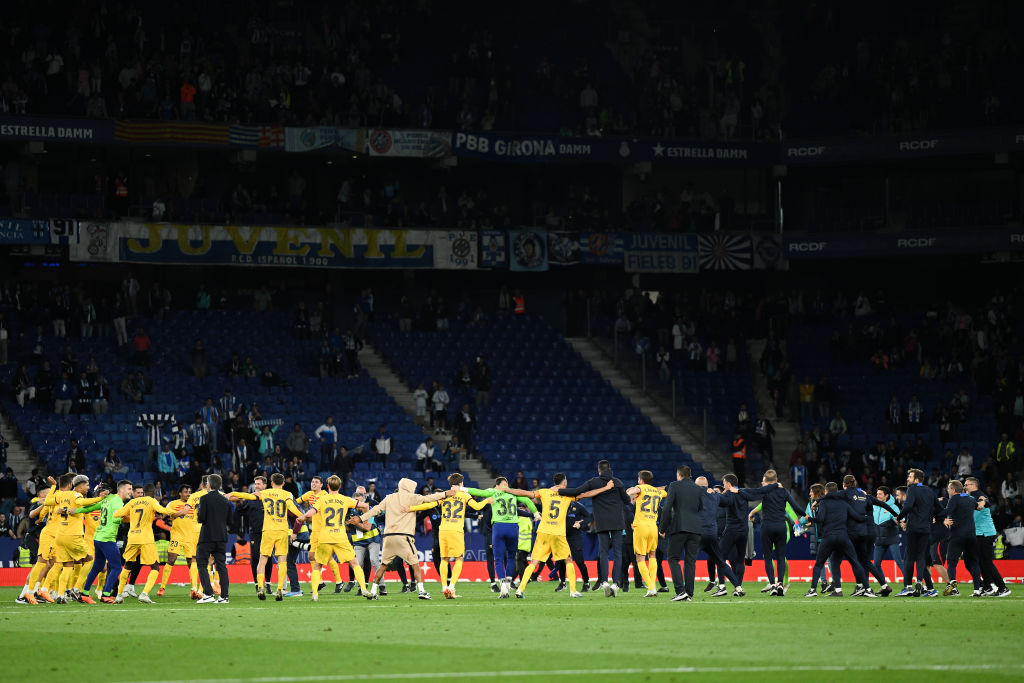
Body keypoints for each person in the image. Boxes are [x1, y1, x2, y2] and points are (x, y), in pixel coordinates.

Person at [504, 474, 606, 599]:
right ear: (564, 483)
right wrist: (605, 488)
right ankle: (573, 590)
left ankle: (520, 589)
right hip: (558, 533)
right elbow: (586, 494)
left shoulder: (545, 492)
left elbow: (524, 493)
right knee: (568, 560)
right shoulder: (567, 495)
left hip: (544, 532)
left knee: (534, 562)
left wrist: (507, 489)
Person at [359, 478, 457, 600]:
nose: (414, 489)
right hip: (403, 537)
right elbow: (428, 499)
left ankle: (373, 591)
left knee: (383, 565)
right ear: (408, 487)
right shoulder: (412, 497)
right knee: (415, 564)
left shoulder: (389, 497)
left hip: (388, 537)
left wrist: (361, 518)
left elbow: (375, 510)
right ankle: (421, 591)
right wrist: (445, 494)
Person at [408, 473, 491, 599]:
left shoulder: (445, 494)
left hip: (443, 530)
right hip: (456, 530)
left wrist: (411, 508)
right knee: (459, 558)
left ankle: (444, 587)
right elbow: (477, 507)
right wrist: (487, 500)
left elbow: (429, 505)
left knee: (444, 559)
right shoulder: (464, 494)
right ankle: (451, 587)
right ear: (461, 483)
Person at [557, 460, 631, 597]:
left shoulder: (594, 482)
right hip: (617, 522)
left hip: (602, 522)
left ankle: (604, 582)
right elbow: (627, 501)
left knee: (603, 552)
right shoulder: (618, 482)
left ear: (599, 470)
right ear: (609, 469)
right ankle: (616, 583)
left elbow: (576, 491)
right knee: (618, 553)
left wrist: (559, 490)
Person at [228, 472, 303, 601]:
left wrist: (233, 494)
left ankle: (261, 587)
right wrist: (303, 517)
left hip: (268, 530)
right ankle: (280, 589)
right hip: (282, 530)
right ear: (283, 484)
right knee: (282, 560)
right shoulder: (287, 495)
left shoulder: (265, 493)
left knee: (262, 559)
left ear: (272, 483)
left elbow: (247, 496)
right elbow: (293, 508)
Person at [463, 478, 539, 598]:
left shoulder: (493, 491)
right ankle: (508, 583)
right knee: (511, 557)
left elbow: (478, 492)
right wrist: (535, 513)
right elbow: (527, 500)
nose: (506, 486)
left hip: (498, 527)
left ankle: (503, 585)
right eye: (505, 484)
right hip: (513, 527)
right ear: (503, 485)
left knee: (498, 559)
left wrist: (461, 488)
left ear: (496, 486)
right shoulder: (512, 493)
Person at [299, 475, 369, 601]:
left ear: (328, 486)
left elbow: (311, 513)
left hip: (325, 536)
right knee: (354, 563)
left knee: (317, 566)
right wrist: (364, 520)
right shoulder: (345, 499)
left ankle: (315, 594)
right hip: (340, 537)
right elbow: (364, 505)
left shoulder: (322, 499)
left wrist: (302, 518)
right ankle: (363, 588)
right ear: (340, 486)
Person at [113, 483, 186, 603]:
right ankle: (144, 593)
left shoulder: (132, 502)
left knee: (127, 565)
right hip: (145, 538)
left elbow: (117, 514)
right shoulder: (151, 501)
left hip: (132, 537)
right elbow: (163, 510)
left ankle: (119, 595)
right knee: (155, 567)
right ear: (152, 493)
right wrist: (178, 512)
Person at [803, 483, 875, 598]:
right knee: (855, 562)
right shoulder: (844, 503)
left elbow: (820, 520)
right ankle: (867, 589)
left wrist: (809, 518)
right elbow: (857, 517)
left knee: (819, 564)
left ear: (826, 492)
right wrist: (868, 517)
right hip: (843, 537)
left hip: (828, 538)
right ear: (837, 491)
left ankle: (813, 590)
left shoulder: (824, 503)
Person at [42, 474, 105, 603]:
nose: (88, 488)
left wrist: (54, 488)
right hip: (73, 536)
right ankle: (76, 589)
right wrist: (99, 498)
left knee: (67, 565)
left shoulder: (61, 495)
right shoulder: (77, 495)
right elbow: (81, 502)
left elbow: (47, 501)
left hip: (60, 536)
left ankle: (60, 595)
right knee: (89, 560)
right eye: (87, 485)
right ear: (80, 485)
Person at [76, 480, 131, 603]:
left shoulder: (108, 499)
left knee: (97, 566)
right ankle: (106, 594)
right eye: (129, 489)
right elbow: (117, 518)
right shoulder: (117, 501)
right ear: (120, 490)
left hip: (98, 537)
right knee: (117, 567)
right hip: (107, 538)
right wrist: (131, 519)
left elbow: (91, 508)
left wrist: (76, 510)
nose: (130, 492)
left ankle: (84, 593)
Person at [657, 466, 705, 602]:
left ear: (679, 475)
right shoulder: (697, 488)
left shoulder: (674, 485)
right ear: (689, 475)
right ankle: (689, 593)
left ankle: (680, 591)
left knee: (673, 558)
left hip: (679, 526)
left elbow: (666, 508)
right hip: (695, 528)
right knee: (690, 561)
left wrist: (662, 528)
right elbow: (700, 507)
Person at [896, 468, 942, 597]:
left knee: (909, 557)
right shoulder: (930, 491)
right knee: (921, 556)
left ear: (916, 480)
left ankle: (908, 587)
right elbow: (940, 509)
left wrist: (899, 518)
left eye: (910, 477)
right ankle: (920, 582)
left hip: (913, 527)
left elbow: (908, 506)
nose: (907, 479)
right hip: (926, 529)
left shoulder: (912, 489)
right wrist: (935, 518)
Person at [694, 476, 742, 597]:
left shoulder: (694, 495)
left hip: (699, 533)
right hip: (712, 534)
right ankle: (737, 587)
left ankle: (686, 591)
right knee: (721, 562)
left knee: (690, 560)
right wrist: (729, 491)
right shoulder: (715, 496)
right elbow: (728, 501)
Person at [964, 477, 1010, 597]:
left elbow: (985, 502)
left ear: (973, 485)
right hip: (979, 533)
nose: (964, 487)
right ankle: (987, 587)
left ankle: (1002, 587)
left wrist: (983, 502)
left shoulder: (979, 494)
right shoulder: (971, 496)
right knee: (981, 562)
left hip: (985, 533)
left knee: (986, 562)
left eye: (966, 485)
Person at [296, 476, 343, 593]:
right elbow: (295, 502)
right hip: (315, 531)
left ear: (322, 485)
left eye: (316, 482)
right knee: (311, 556)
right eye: (312, 481)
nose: (314, 484)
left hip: (324, 530)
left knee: (327, 557)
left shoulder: (324, 496)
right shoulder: (308, 494)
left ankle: (339, 581)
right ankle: (320, 582)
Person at [941, 480, 983, 596]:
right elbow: (978, 507)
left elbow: (947, 511)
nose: (948, 491)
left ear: (954, 490)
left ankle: (953, 587)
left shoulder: (954, 498)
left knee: (951, 562)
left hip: (957, 535)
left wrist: (935, 513)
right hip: (971, 535)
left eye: (949, 489)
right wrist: (983, 500)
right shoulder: (970, 499)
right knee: (974, 562)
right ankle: (977, 590)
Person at [195, 474, 231, 604]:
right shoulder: (225, 500)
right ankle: (224, 597)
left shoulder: (204, 498)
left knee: (202, 564)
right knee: (222, 566)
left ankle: (208, 594)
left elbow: (201, 518)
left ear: (208, 485)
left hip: (207, 537)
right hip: (221, 537)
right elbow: (230, 520)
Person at [159, 484, 198, 597]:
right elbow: (165, 514)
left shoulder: (193, 503)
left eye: (189, 491)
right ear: (180, 493)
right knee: (171, 559)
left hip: (190, 537)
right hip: (176, 535)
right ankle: (162, 587)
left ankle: (193, 588)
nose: (188, 494)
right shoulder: (173, 503)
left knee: (191, 562)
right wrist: (172, 516)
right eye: (186, 491)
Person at [872, 486, 904, 585]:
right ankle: (884, 586)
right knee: (876, 564)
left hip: (891, 539)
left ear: (886, 495)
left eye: (880, 494)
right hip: (879, 541)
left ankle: (908, 585)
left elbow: (899, 521)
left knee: (899, 562)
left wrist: (898, 522)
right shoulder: (874, 506)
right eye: (877, 494)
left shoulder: (893, 507)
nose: (877, 496)